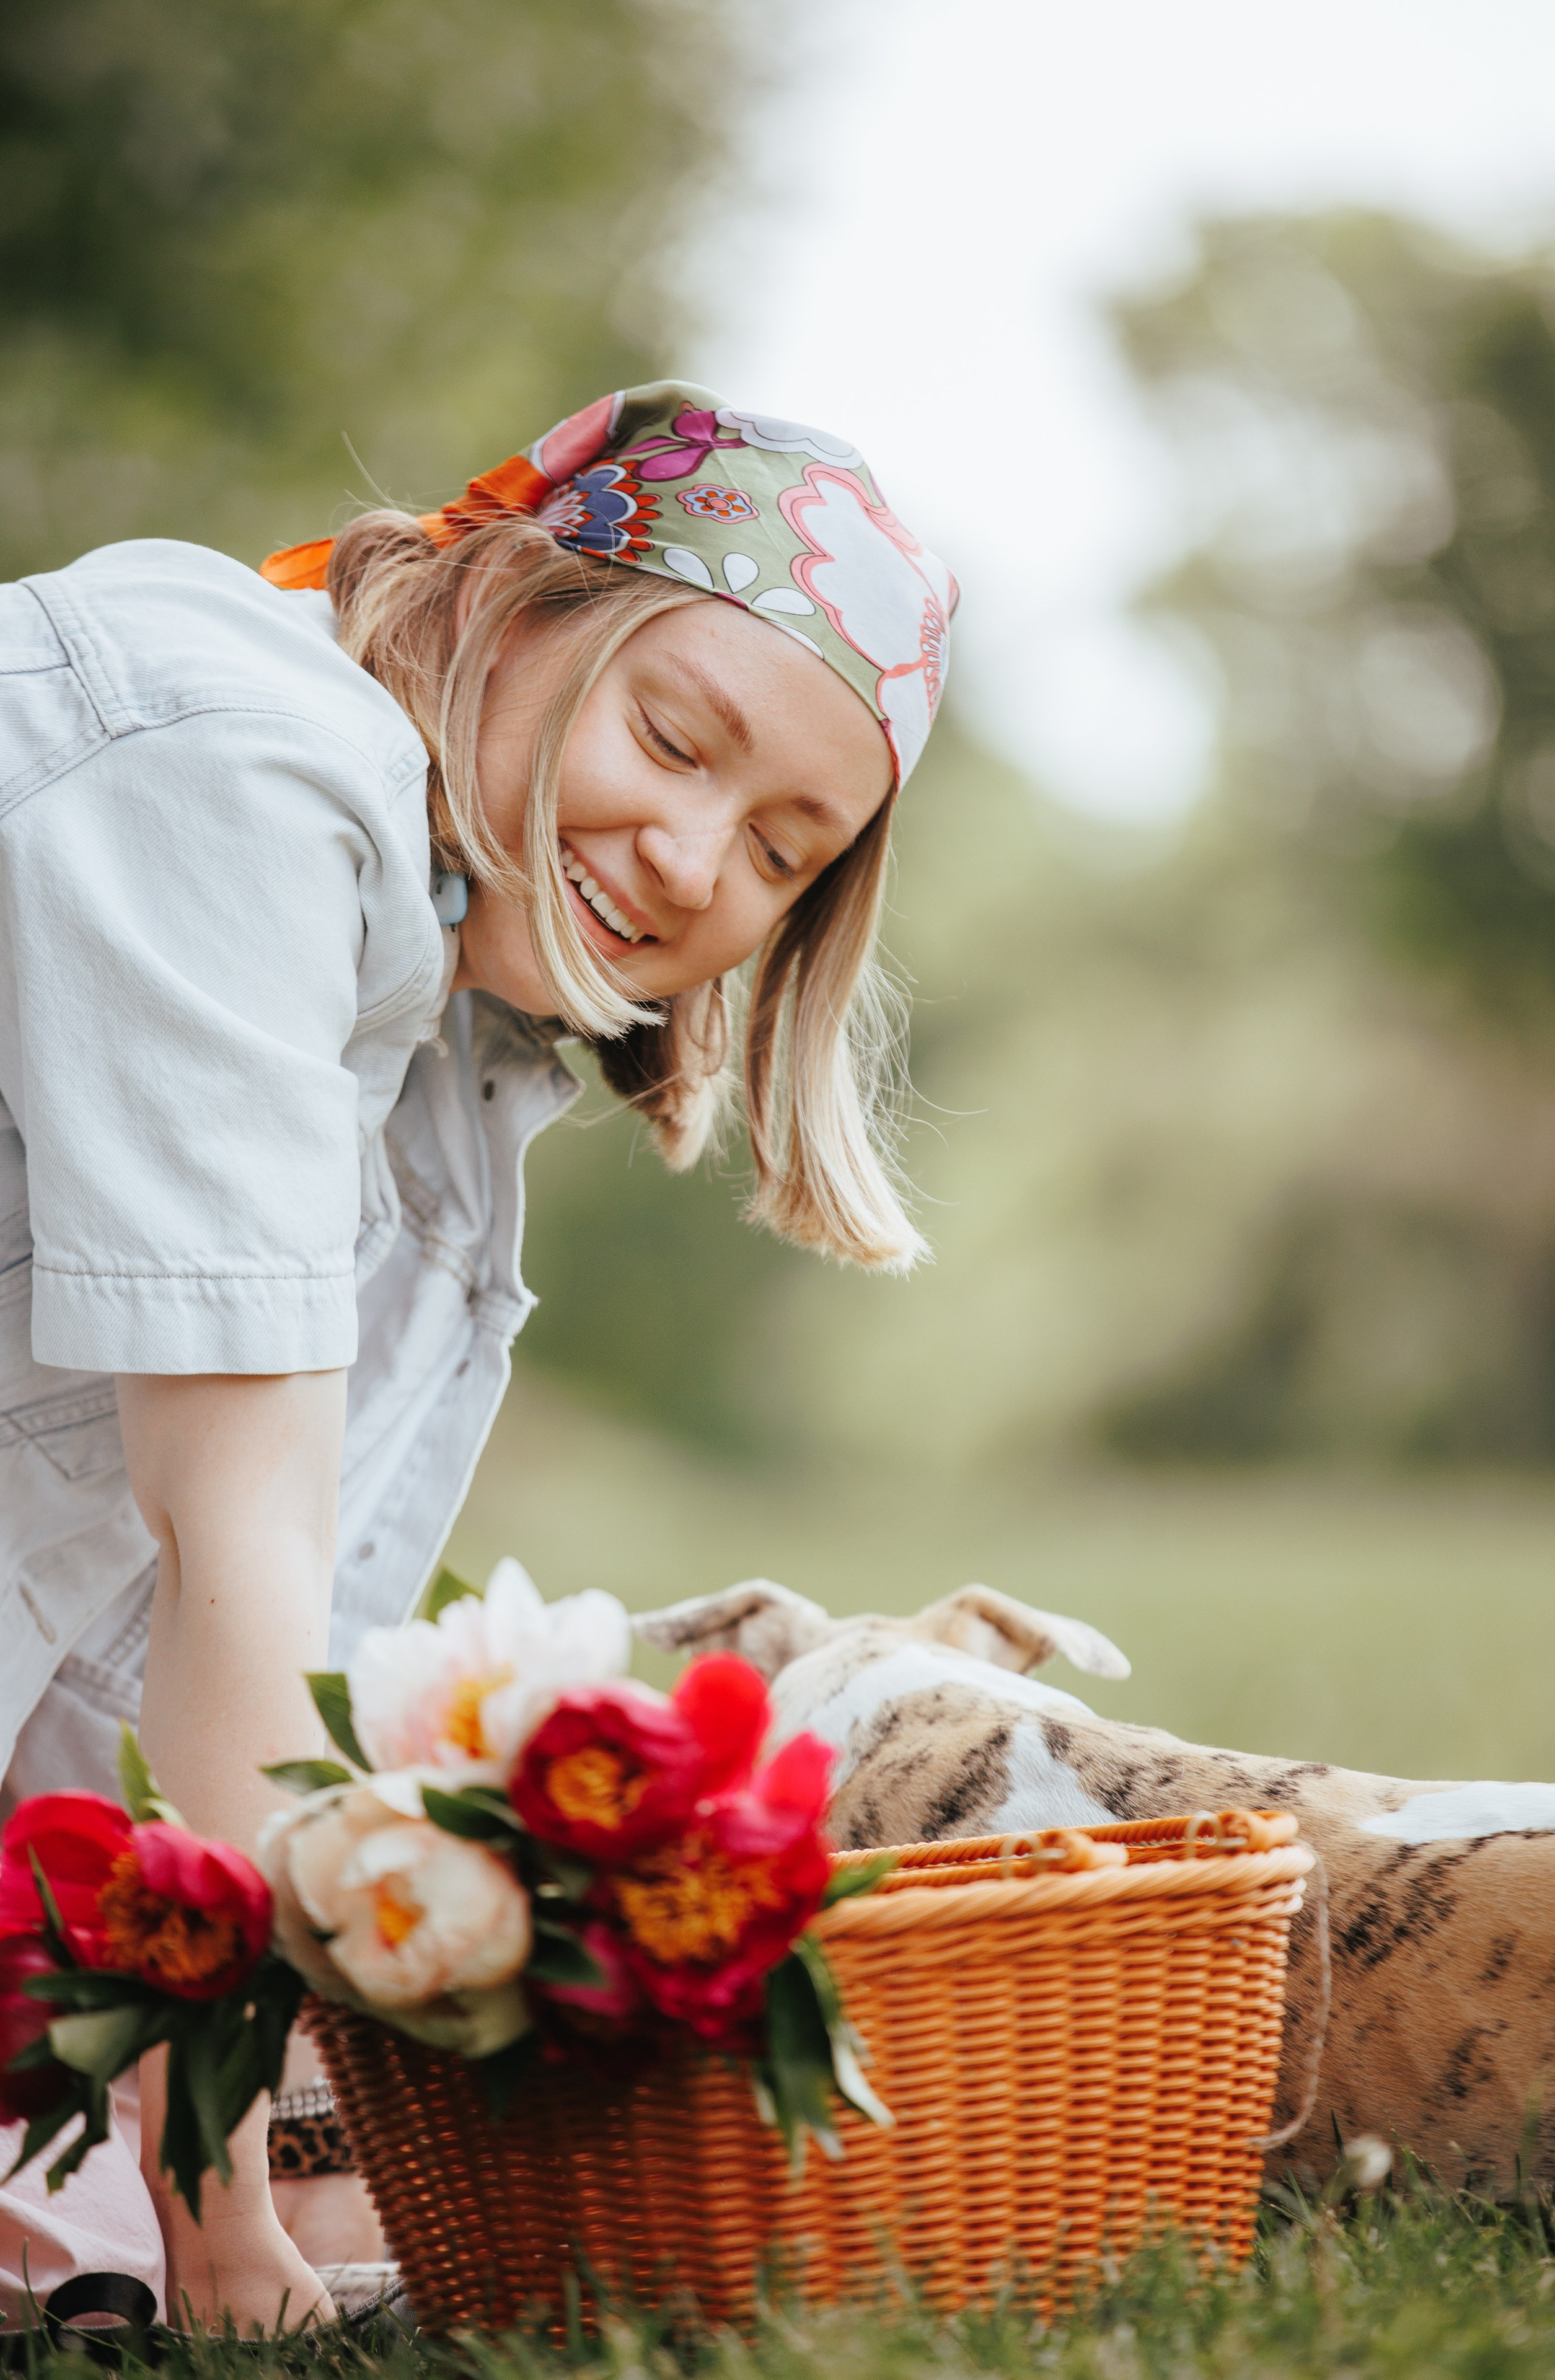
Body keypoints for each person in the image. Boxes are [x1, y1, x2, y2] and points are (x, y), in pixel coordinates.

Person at [0, 382, 954, 2330]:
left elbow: (198, 1684)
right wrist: (223, 2240)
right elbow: (229, 1540)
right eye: (673, 738)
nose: (696, 865)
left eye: (782, 853)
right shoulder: (237, 766)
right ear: (507, 599)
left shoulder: (456, 1025)